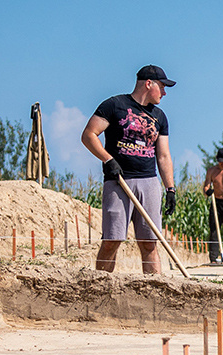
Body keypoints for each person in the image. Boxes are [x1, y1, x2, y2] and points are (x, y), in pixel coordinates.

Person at [81, 65, 176, 274]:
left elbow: (163, 155)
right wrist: (108, 160)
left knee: (149, 242)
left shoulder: (160, 117)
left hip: (149, 182)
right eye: (162, 86)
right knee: (112, 240)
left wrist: (170, 189)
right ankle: (101, 285)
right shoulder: (114, 105)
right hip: (118, 182)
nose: (165, 92)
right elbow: (88, 135)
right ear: (148, 84)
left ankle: (154, 289)